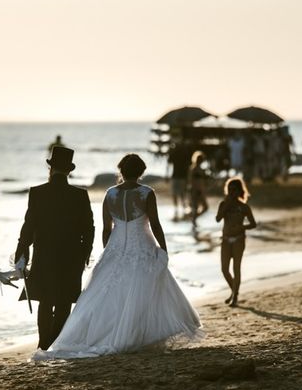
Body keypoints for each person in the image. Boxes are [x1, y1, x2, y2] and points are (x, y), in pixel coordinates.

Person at [34, 154, 202, 359]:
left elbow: (107, 228)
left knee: (108, 295)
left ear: (121, 171)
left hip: (115, 248)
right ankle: (138, 335)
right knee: (143, 291)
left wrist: (108, 251)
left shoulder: (110, 194)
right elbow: (155, 224)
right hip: (141, 246)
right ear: (141, 172)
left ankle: (98, 335)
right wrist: (163, 249)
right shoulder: (146, 193)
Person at [14, 146, 94, 350]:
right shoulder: (80, 195)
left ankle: (43, 343)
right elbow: (89, 229)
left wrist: (22, 252)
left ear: (50, 169)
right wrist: (85, 254)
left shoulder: (37, 193)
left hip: (45, 256)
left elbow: (29, 226)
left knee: (45, 300)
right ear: (69, 171)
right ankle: (56, 342)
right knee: (64, 301)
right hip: (72, 257)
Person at [216, 177, 257, 308]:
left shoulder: (244, 207)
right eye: (229, 190)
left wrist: (242, 227)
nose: (232, 192)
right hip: (226, 240)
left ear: (239, 191)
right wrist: (227, 205)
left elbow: (253, 224)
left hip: (239, 239)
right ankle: (234, 291)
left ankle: (235, 296)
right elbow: (217, 219)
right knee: (224, 269)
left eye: (234, 190)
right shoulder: (223, 204)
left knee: (236, 268)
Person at [166, 142, 191, 219]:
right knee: (181, 194)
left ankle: (177, 211)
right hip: (181, 177)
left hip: (176, 176)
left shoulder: (174, 153)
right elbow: (188, 166)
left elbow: (168, 164)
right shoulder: (184, 153)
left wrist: (166, 175)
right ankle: (182, 210)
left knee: (176, 194)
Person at [189, 151, 209, 227]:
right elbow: (191, 181)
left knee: (205, 207)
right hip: (195, 190)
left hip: (201, 190)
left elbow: (204, 181)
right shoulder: (193, 169)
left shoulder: (201, 169)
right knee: (195, 207)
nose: (200, 161)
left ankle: (194, 219)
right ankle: (194, 221)